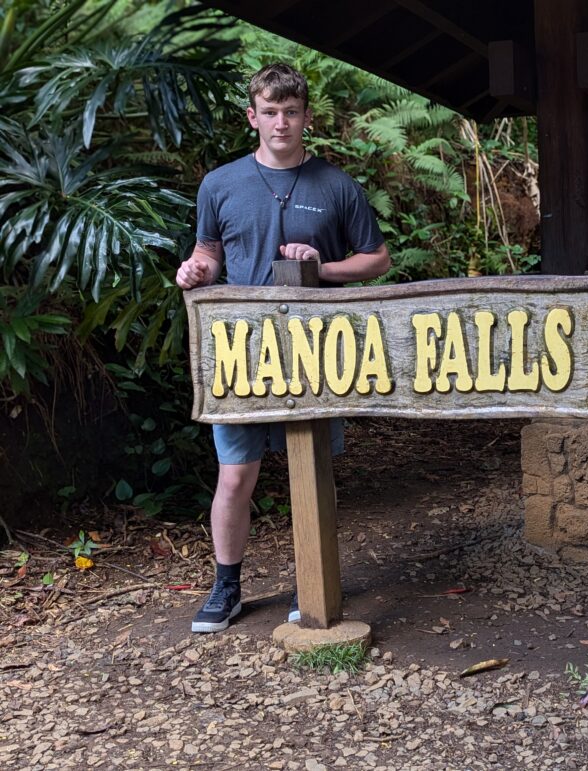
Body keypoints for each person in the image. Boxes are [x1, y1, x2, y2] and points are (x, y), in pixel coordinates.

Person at [176, 63, 391, 633]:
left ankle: (312, 583)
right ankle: (226, 588)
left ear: (305, 118)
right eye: (269, 112)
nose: (280, 122)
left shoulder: (336, 185)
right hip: (240, 352)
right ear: (253, 117)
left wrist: (323, 266)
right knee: (235, 476)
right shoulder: (220, 184)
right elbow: (209, 253)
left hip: (314, 351)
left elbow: (376, 260)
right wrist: (196, 270)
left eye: (290, 112)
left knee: (308, 471)